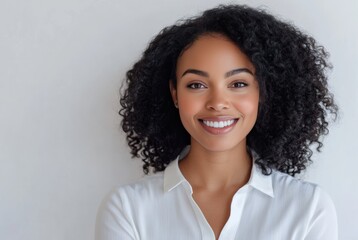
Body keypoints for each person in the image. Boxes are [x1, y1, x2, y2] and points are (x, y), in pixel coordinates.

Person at [96, 4, 338, 240]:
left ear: (262, 93)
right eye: (196, 85)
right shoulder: (127, 209)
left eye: (238, 84)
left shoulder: (308, 208)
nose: (218, 102)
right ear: (175, 94)